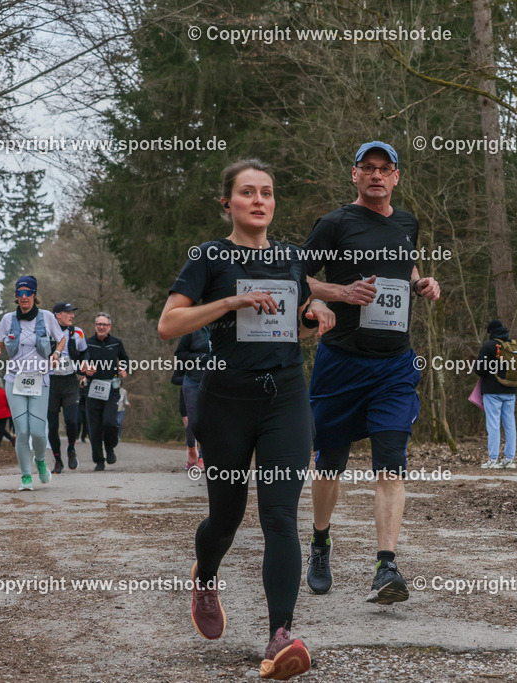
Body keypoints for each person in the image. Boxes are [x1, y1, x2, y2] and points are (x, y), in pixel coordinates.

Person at [158, 158, 335, 679]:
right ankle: (206, 575)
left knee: (280, 514)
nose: (260, 200)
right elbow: (170, 323)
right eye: (248, 192)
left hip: (284, 396)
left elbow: (288, 328)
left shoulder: (291, 259)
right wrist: (231, 300)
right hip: (226, 400)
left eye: (268, 192)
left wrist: (317, 316)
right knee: (227, 516)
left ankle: (280, 634)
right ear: (228, 203)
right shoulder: (208, 257)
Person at [302, 141, 441, 604]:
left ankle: (387, 567)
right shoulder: (335, 223)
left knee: (392, 462)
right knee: (330, 463)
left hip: (394, 364)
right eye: (368, 168)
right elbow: (297, 278)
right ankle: (320, 542)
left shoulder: (406, 222)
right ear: (355, 174)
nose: (377, 175)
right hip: (341, 362)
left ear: (397, 176)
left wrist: (422, 281)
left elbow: (406, 266)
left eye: (385, 169)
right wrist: (340, 293)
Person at [0, 275, 67, 490]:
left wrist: (56, 354)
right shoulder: (7, 319)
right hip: (14, 380)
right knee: (22, 431)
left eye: (27, 293)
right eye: (20, 293)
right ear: (16, 296)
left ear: (34, 295)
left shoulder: (47, 317)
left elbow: (61, 338)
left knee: (39, 432)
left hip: (40, 379)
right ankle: (25, 477)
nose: (24, 297)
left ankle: (40, 460)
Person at [79, 312, 129, 470]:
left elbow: (125, 360)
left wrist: (124, 369)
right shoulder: (87, 343)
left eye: (104, 325)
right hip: (92, 389)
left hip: (112, 389)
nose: (101, 327)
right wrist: (85, 371)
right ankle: (99, 460)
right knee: (94, 427)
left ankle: (110, 447)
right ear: (95, 326)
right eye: (99, 324)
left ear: (110, 327)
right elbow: (81, 363)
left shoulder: (116, 343)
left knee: (110, 422)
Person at [47, 302, 87, 473]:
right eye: (68, 312)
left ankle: (71, 449)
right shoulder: (45, 332)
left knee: (72, 421)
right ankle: (57, 460)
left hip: (70, 381)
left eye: (72, 312)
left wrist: (84, 364)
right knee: (53, 425)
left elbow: (85, 352)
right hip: (50, 383)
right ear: (57, 315)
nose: (72, 316)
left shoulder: (77, 332)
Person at [475, 319, 517, 468]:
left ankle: (493, 459)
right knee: (510, 424)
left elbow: (479, 369)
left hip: (492, 391)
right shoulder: (512, 345)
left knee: (493, 425)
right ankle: (509, 459)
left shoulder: (488, 346)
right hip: (510, 391)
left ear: (491, 332)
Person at [176, 328, 210, 469]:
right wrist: (200, 358)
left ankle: (202, 457)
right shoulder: (194, 330)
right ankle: (191, 447)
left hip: (214, 380)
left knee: (208, 420)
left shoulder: (223, 328)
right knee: (193, 421)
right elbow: (179, 354)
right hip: (193, 380)